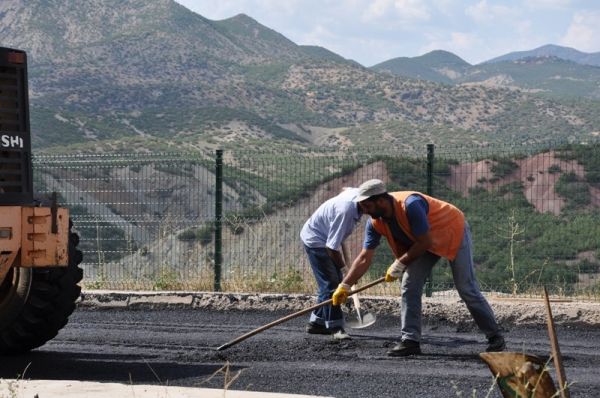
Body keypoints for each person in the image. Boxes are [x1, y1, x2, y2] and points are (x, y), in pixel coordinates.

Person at [331, 179, 505, 356]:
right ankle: (410, 341)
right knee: (409, 284)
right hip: (423, 242)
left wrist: (399, 263)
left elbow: (425, 242)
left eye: (367, 206)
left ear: (381, 201)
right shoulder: (375, 223)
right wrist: (345, 285)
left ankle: (495, 337)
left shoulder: (411, 205)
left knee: (466, 288)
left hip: (451, 230)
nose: (365, 211)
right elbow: (364, 257)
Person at [300, 187, 362, 339]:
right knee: (332, 284)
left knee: (332, 283)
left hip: (324, 238)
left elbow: (345, 188)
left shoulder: (357, 194)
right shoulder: (345, 212)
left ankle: (317, 323)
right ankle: (336, 328)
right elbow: (332, 248)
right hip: (316, 241)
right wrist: (345, 269)